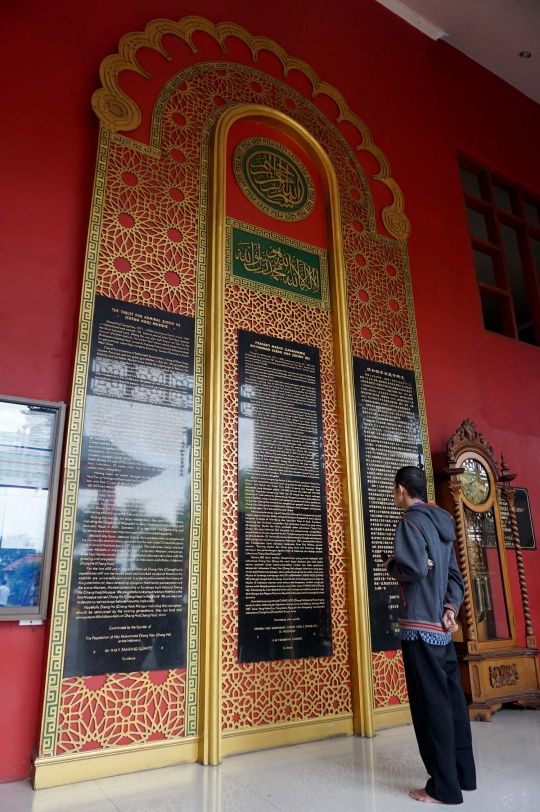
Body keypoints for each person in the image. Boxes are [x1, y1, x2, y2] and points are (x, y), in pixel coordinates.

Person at [384, 465, 476, 805]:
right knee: (452, 703)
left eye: (395, 491)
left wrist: (392, 563)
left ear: (402, 490)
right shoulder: (443, 524)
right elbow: (455, 577)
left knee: (430, 707)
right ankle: (463, 776)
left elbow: (416, 568)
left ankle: (442, 788)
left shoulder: (409, 522)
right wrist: (451, 609)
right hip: (441, 627)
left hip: (419, 629)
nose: (395, 496)